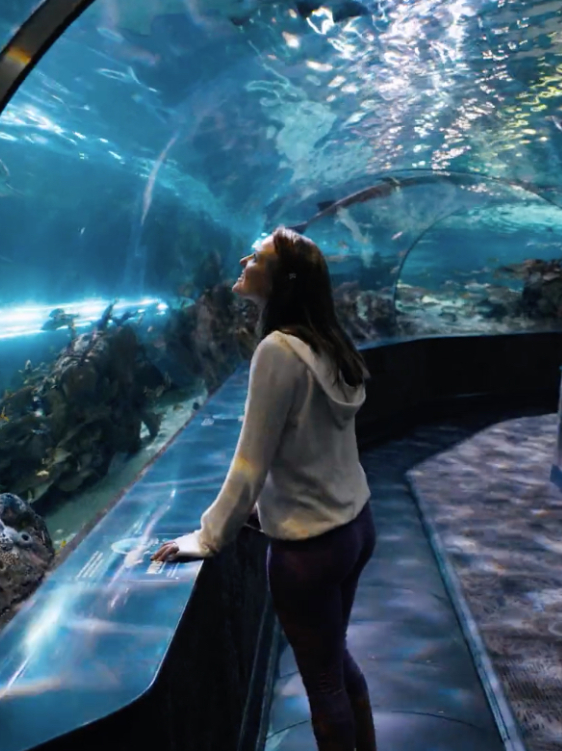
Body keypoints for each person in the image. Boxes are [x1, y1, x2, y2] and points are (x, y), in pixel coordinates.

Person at [152, 226, 378, 751]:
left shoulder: (277, 351)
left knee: (322, 685)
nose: (243, 260)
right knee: (336, 661)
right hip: (356, 526)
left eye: (255, 257)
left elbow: (250, 463)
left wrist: (209, 537)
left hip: (309, 548)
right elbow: (310, 446)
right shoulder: (326, 343)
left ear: (282, 280)